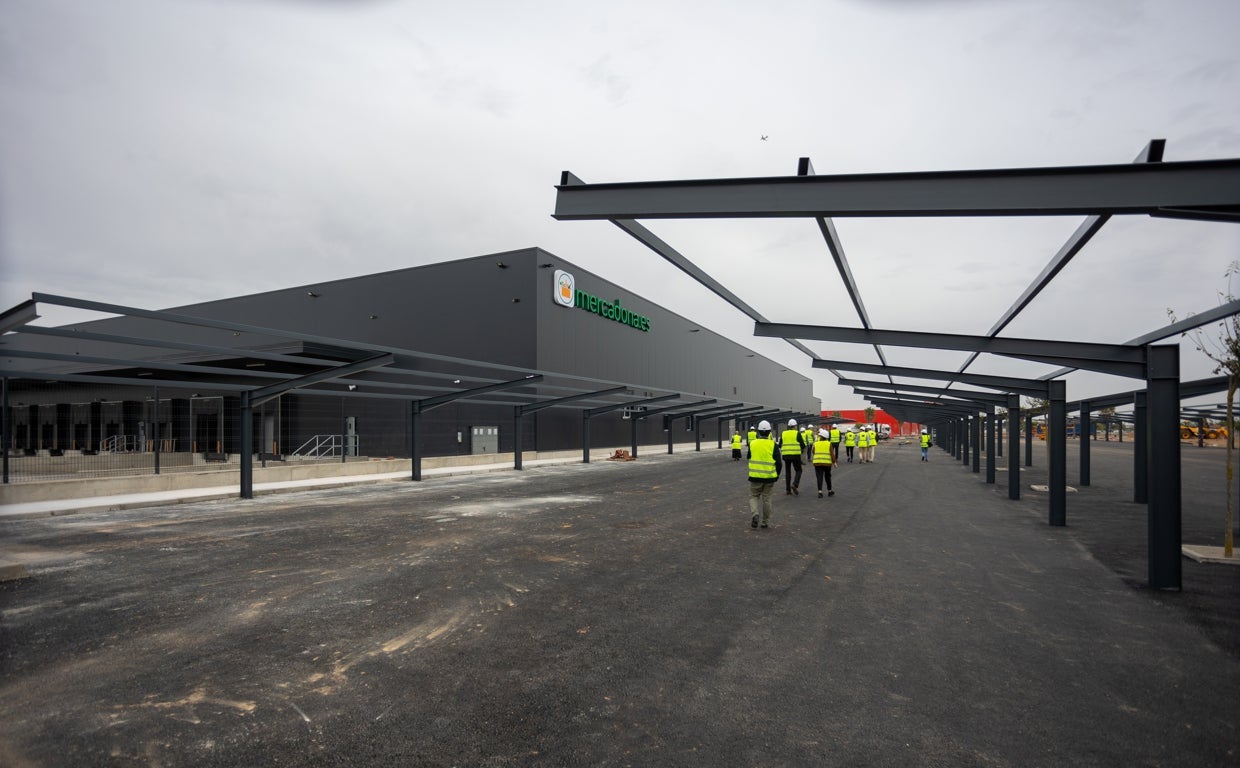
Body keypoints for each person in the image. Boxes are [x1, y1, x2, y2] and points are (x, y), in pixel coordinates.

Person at [747, 420, 780, 529]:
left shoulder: (752, 443)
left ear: (758, 431)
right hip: (769, 478)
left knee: (753, 496)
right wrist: (776, 475)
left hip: (755, 476)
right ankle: (765, 522)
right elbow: (779, 463)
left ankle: (755, 514)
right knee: (767, 499)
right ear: (770, 431)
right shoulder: (773, 445)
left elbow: (749, 457)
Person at [780, 418, 804, 495]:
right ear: (795, 426)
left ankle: (788, 490)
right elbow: (802, 445)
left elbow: (780, 444)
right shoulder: (797, 433)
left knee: (788, 472)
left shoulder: (783, 433)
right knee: (799, 470)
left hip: (786, 455)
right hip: (795, 455)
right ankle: (795, 484)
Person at [812, 427, 835, 498]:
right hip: (827, 463)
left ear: (821, 436)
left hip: (817, 463)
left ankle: (820, 492)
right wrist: (834, 462)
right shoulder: (829, 444)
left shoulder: (816, 443)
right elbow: (832, 454)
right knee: (828, 477)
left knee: (819, 477)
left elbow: (813, 452)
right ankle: (830, 491)